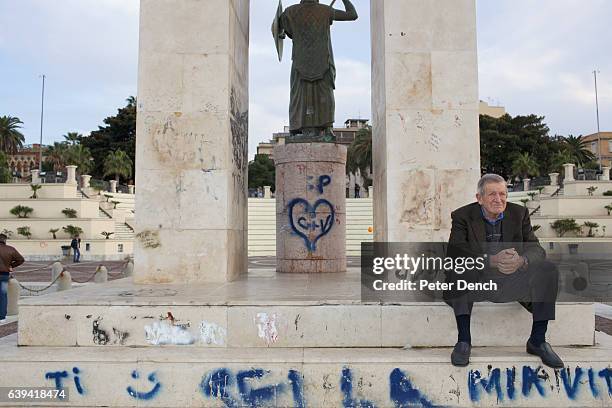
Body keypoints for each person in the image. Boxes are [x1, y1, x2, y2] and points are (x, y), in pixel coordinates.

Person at [445, 174, 563, 369]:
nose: (498, 199)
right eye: (492, 194)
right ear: (479, 198)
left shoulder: (519, 214)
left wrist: (521, 261)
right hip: (477, 279)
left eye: (502, 194)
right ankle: (463, 341)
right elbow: (455, 253)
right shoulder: (462, 216)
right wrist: (491, 260)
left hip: (510, 279)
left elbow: (536, 249)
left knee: (547, 269)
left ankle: (538, 340)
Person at [276, 0, 358, 142]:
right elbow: (352, 15)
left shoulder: (290, 12)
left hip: (300, 63)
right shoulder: (325, 10)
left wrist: (283, 32)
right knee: (324, 96)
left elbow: (280, 30)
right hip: (322, 62)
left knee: (299, 96)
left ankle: (296, 131)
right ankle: (326, 129)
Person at [0, 233, 24, 323]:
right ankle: (2, 317)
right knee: (3, 295)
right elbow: (21, 259)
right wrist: (11, 265)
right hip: (4, 275)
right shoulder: (10, 249)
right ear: (5, 240)